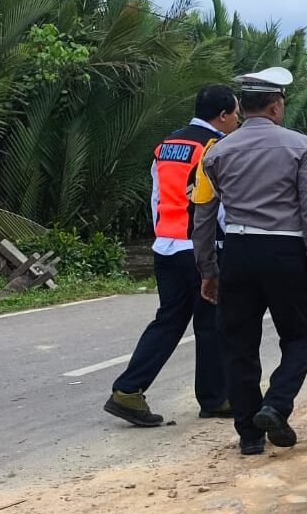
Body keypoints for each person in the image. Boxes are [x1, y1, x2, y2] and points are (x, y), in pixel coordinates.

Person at [192, 68, 307, 456]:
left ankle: (249, 437)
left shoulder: (216, 152)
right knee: (301, 337)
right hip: (286, 253)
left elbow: (203, 214)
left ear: (244, 107)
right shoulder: (301, 146)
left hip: (236, 253)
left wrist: (208, 269)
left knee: (238, 344)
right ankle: (275, 404)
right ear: (275, 106)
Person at [104, 85, 240, 428]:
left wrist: (164, 234)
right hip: (200, 248)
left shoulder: (167, 145)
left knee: (169, 321)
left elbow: (156, 197)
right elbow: (217, 205)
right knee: (211, 323)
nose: (238, 121)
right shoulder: (216, 147)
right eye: (236, 114)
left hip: (166, 246)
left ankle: (128, 390)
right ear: (222, 116)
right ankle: (214, 399)